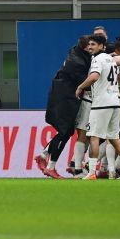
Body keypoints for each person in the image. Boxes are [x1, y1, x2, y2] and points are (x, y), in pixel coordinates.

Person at [75, 35, 120, 179]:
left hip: (101, 104)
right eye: (89, 44)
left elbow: (94, 76)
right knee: (114, 138)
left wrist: (80, 87)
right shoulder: (112, 60)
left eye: (94, 44)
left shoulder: (97, 59)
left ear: (102, 46)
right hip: (114, 103)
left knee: (94, 137)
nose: (90, 47)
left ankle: (91, 173)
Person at [37, 36, 91, 179]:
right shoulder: (77, 63)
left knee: (66, 131)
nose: (92, 50)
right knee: (65, 131)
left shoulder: (75, 54)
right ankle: (50, 166)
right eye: (90, 47)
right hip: (65, 98)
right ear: (86, 48)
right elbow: (85, 82)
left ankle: (44, 155)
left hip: (62, 96)